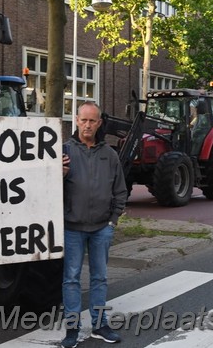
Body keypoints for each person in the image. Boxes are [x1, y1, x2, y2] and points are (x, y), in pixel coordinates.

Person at [61, 101, 128, 348]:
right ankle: (71, 329)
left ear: (99, 123)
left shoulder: (109, 155)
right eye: (83, 120)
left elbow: (120, 190)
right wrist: (58, 175)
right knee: (71, 279)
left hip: (101, 227)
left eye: (92, 121)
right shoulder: (63, 152)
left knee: (99, 277)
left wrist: (112, 221)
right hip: (72, 227)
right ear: (76, 120)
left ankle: (100, 325)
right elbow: (46, 190)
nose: (87, 125)